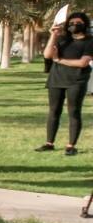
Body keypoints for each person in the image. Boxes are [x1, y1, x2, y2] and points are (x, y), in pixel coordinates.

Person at [36, 11, 93, 156]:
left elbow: (83, 62)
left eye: (78, 23)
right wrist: (53, 35)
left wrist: (59, 60)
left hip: (76, 81)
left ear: (85, 24)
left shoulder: (89, 41)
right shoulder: (61, 39)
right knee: (54, 111)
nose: (74, 25)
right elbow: (48, 55)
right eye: (72, 23)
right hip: (56, 79)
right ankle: (49, 143)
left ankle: (71, 145)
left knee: (74, 112)